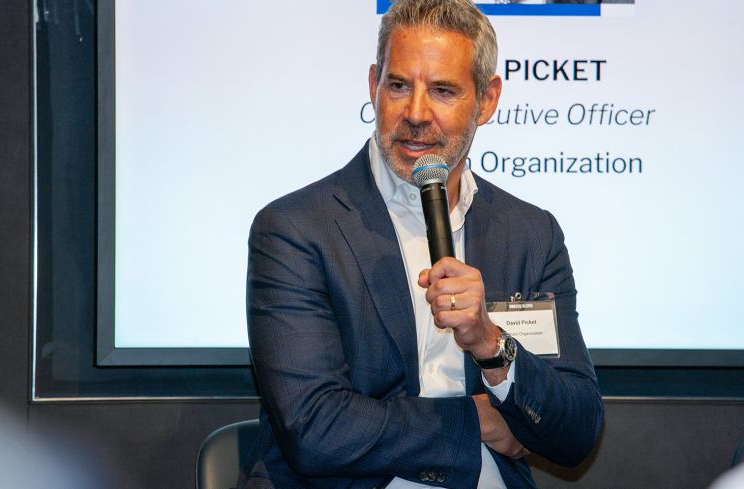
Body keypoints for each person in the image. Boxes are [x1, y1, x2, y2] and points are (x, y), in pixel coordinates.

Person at [242, 0, 603, 487]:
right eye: (398, 86)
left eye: (442, 90)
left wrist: (491, 343)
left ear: (487, 99)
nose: (415, 113)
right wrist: (472, 424)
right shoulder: (296, 229)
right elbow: (315, 430)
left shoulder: (530, 234)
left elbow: (577, 431)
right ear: (374, 85)